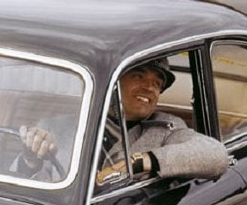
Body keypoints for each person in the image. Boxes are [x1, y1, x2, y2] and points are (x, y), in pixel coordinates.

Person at [17, 60, 230, 183]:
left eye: (157, 84)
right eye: (139, 77)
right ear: (113, 82)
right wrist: (30, 161)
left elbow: (216, 154)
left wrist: (138, 162)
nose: (149, 88)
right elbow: (21, 189)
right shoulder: (57, 125)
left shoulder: (167, 128)